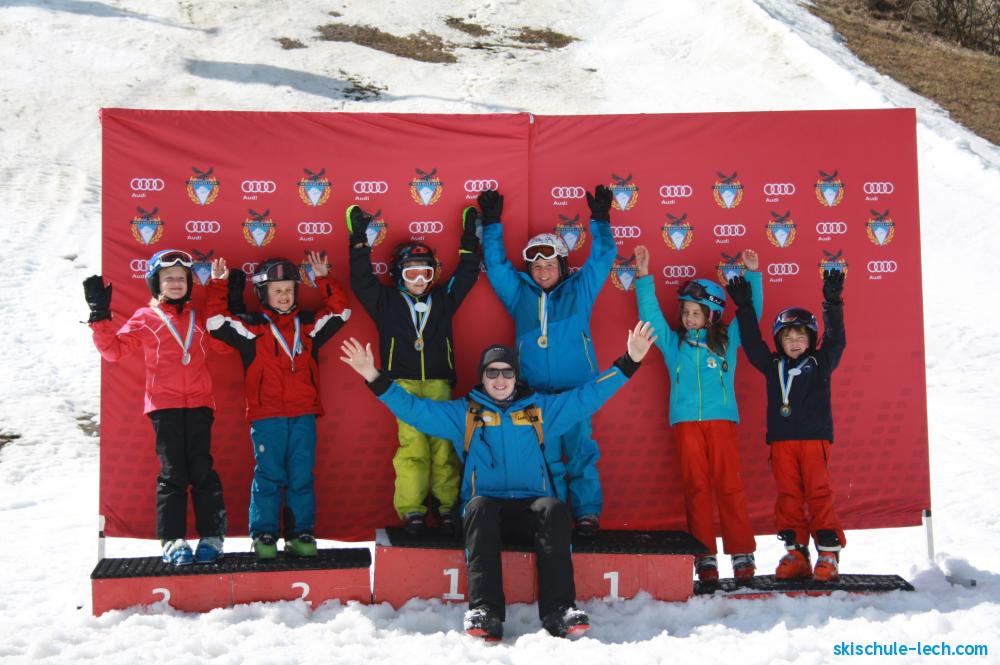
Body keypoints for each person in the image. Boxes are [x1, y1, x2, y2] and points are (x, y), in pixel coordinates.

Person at [339, 322, 657, 640]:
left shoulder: (540, 409)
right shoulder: (466, 413)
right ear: (483, 377)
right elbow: (415, 410)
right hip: (487, 512)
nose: (500, 379)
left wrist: (629, 362)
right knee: (479, 507)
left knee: (554, 509)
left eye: (507, 372)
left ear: (516, 376)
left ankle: (559, 611)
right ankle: (485, 611)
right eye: (492, 372)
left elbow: (587, 397)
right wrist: (374, 377)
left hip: (530, 508)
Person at [477, 186, 615, 536]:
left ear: (562, 266)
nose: (542, 271)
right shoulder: (519, 294)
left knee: (581, 453)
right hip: (536, 393)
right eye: (536, 266)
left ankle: (587, 513)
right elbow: (497, 266)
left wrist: (600, 219)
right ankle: (554, 515)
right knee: (547, 456)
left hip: (577, 389)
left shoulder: (580, 290)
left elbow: (602, 258)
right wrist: (491, 224)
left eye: (550, 264)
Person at [83, 249, 228, 565]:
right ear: (155, 284)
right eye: (168, 278)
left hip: (200, 404)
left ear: (189, 283)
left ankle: (213, 537)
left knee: (202, 470)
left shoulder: (199, 315)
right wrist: (100, 316)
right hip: (164, 407)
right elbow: (113, 352)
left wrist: (219, 289)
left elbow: (222, 344)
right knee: (173, 473)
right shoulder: (146, 317)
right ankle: (173, 539)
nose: (175, 283)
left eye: (181, 278)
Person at [205, 251, 350, 559]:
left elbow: (341, 312)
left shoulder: (308, 325)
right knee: (268, 475)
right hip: (266, 415)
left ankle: (300, 533)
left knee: (301, 476)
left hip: (304, 413)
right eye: (276, 290)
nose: (284, 296)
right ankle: (264, 534)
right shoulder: (252, 327)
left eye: (288, 289)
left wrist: (323, 278)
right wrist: (218, 285)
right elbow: (215, 324)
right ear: (262, 293)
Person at [346, 205, 480, 535]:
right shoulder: (386, 302)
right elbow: (362, 281)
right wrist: (359, 241)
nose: (419, 281)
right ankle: (412, 510)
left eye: (425, 273)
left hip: (439, 383)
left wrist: (469, 238)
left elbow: (466, 274)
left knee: (444, 447)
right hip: (401, 386)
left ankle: (448, 508)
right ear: (397, 275)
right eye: (411, 274)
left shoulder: (444, 300)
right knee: (413, 448)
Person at [632, 245, 762, 583]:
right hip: (686, 424)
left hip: (721, 423)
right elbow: (651, 317)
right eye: (686, 312)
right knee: (696, 489)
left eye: (696, 312)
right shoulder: (674, 345)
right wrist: (643, 277)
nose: (689, 318)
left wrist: (753, 276)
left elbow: (752, 316)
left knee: (729, 486)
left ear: (713, 315)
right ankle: (704, 555)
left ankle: (742, 552)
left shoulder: (727, 342)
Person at [726, 269, 847, 582]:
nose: (795, 343)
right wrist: (744, 307)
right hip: (781, 443)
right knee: (788, 496)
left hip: (814, 441)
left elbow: (836, 339)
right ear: (779, 341)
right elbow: (752, 344)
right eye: (788, 338)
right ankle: (797, 553)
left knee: (819, 493)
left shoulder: (821, 362)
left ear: (811, 339)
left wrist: (832, 303)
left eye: (801, 337)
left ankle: (828, 555)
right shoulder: (772, 365)